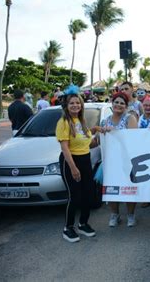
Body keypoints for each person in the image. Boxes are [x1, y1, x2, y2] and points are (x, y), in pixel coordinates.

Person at [55, 86, 100, 242]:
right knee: (74, 196)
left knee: (88, 193)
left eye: (78, 103)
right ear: (66, 106)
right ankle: (68, 228)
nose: (75, 105)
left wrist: (101, 133)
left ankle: (83, 223)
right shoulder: (64, 122)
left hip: (85, 159)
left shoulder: (81, 121)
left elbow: (88, 144)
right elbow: (65, 148)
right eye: (72, 103)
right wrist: (73, 168)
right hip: (71, 161)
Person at [101, 92, 139, 227]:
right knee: (111, 187)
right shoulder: (105, 121)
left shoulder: (130, 118)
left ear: (126, 106)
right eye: (116, 102)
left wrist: (115, 132)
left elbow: (133, 139)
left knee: (129, 187)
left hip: (127, 160)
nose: (119, 105)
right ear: (112, 103)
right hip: (110, 160)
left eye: (122, 103)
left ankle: (130, 214)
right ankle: (114, 214)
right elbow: (97, 141)